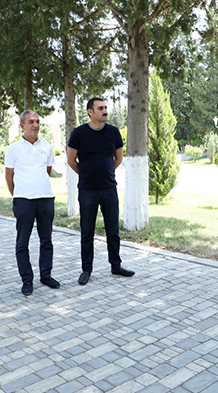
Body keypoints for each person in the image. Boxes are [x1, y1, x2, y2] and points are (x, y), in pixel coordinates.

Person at [67, 97, 135, 285]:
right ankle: (86, 270)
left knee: (113, 230)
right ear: (90, 112)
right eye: (100, 108)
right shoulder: (78, 133)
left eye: (105, 107)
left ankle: (116, 265)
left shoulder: (113, 132)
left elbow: (118, 158)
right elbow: (71, 160)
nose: (105, 111)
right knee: (87, 231)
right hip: (87, 190)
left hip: (109, 189)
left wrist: (106, 173)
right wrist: (87, 174)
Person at [5, 110, 59, 295]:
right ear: (22, 126)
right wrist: (18, 195)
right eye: (31, 122)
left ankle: (46, 275)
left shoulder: (47, 147)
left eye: (37, 121)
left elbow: (47, 170)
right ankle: (27, 279)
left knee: (47, 240)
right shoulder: (13, 149)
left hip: (45, 199)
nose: (35, 125)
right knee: (22, 242)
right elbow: (9, 176)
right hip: (23, 201)